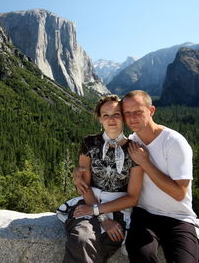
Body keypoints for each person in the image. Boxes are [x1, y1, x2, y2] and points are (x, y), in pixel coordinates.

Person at [58, 94, 144, 263]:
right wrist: (102, 218)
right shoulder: (89, 143)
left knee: (106, 242)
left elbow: (133, 198)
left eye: (116, 114)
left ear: (124, 117)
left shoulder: (134, 149)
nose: (111, 120)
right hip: (89, 201)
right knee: (82, 238)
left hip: (119, 208)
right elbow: (84, 185)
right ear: (99, 119)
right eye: (106, 115)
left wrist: (99, 212)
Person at [121, 90, 199, 263]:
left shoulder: (174, 142)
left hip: (178, 218)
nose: (132, 118)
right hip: (144, 216)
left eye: (138, 112)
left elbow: (179, 193)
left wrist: (145, 163)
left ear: (151, 111)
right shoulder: (132, 142)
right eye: (127, 113)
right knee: (141, 255)